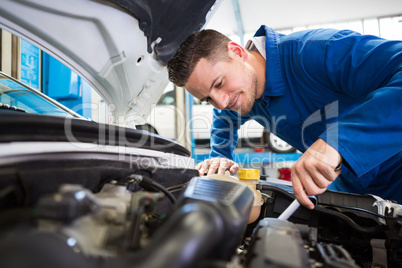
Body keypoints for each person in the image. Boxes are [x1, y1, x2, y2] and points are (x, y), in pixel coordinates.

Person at [167, 26, 402, 208]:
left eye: (219, 84)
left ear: (237, 52)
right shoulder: (238, 95)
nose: (221, 102)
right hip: (353, 191)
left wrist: (338, 142)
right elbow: (224, 119)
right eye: (207, 99)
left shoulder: (318, 51)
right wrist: (220, 157)